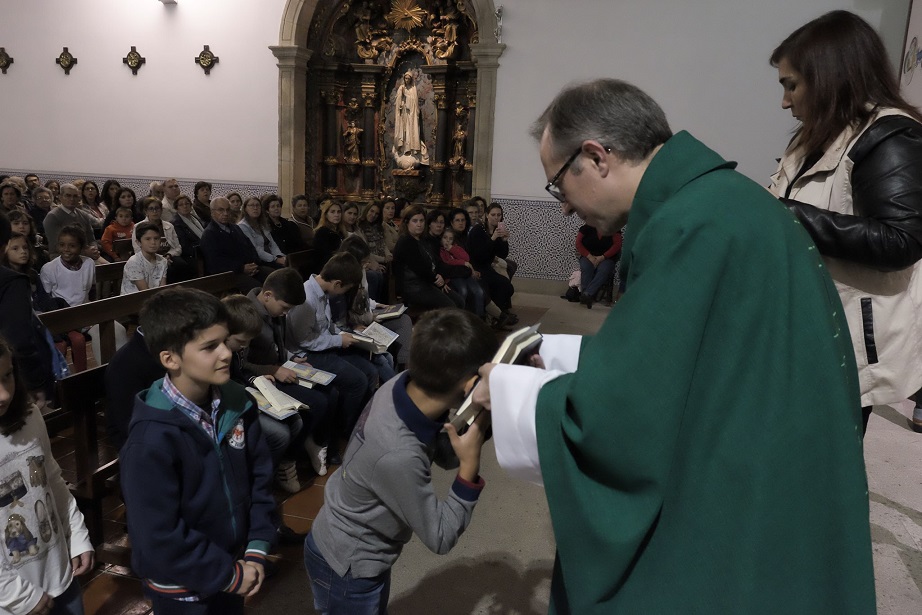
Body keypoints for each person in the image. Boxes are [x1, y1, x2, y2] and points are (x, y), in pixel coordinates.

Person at [474, 78, 876, 613]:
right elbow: (685, 355)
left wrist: (509, 394)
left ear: (595, 157)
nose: (564, 208)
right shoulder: (718, 201)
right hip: (767, 450)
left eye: (558, 185)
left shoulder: (689, 224)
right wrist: (560, 355)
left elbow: (626, 415)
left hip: (739, 484)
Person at [768, 10, 922, 434]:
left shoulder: (890, 135)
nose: (785, 102)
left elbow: (900, 241)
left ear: (828, 77)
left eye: (791, 85)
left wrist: (784, 213)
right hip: (804, 327)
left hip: (844, 340)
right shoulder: (815, 136)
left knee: (821, 460)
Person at [304, 308, 496, 615]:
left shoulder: (402, 385)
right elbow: (440, 536)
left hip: (344, 543)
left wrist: (481, 417)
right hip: (350, 566)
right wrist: (469, 470)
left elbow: (444, 453)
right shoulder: (398, 452)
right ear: (470, 383)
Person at [120, 288, 275, 613]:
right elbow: (158, 535)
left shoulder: (238, 402)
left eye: (225, 341)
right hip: (182, 588)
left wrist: (257, 546)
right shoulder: (150, 439)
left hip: (234, 563)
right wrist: (228, 575)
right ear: (170, 358)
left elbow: (260, 477)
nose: (226, 353)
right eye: (209, 347)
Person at [0, 336, 95, 615]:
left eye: (7, 376)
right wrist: (15, 595)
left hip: (59, 574)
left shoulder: (29, 415)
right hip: (12, 599)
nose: (4, 394)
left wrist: (75, 533)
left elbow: (51, 478)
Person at [285, 253, 380, 449]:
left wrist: (346, 335)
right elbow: (304, 340)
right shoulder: (307, 299)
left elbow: (326, 326)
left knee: (370, 371)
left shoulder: (323, 292)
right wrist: (338, 340)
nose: (344, 293)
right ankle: (344, 433)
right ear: (337, 284)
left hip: (325, 346)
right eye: (346, 289)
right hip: (307, 354)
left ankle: (358, 423)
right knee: (357, 381)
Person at [392, 205, 463, 311]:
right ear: (407, 222)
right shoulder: (406, 241)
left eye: (421, 220)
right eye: (415, 221)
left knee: (459, 301)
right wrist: (437, 280)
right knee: (450, 307)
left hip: (426, 283)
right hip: (412, 287)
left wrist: (440, 277)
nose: (419, 224)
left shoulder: (422, 239)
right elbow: (420, 268)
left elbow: (435, 262)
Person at [200, 197, 271, 293]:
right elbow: (215, 264)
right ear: (212, 212)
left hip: (247, 269)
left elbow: (250, 247)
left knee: (273, 277)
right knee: (256, 288)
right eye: (221, 210)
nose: (225, 213)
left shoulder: (235, 228)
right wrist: (241, 268)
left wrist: (253, 264)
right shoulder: (209, 234)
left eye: (228, 210)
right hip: (228, 275)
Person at [43, 184, 101, 262]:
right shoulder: (52, 216)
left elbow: (91, 239)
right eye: (68, 195)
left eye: (75, 196)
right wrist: (85, 252)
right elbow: (57, 245)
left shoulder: (83, 215)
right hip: (62, 257)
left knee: (112, 266)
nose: (72, 199)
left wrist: (94, 249)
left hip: (87, 255)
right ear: (60, 197)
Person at [575, 223, 622, 308]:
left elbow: (617, 245)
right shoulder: (586, 228)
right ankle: (586, 296)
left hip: (607, 257)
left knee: (604, 270)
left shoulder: (614, 228)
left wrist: (603, 257)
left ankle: (587, 294)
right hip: (588, 256)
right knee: (586, 267)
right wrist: (590, 256)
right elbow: (578, 243)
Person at [238, 196, 286, 269]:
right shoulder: (243, 226)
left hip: (271, 258)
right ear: (245, 209)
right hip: (257, 261)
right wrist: (275, 259)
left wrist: (280, 256)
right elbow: (255, 249)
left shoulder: (262, 224)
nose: (255, 208)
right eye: (252, 205)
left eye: (258, 205)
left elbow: (272, 244)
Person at [393, 71, 429, 166]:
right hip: (403, 115)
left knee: (410, 132)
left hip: (411, 116)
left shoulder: (413, 89)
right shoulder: (401, 88)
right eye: (405, 78)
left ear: (411, 79)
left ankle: (410, 150)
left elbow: (415, 104)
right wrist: (401, 100)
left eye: (408, 79)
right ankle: (403, 149)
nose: (407, 80)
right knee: (403, 132)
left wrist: (407, 96)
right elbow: (397, 103)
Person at [120, 222, 168, 295]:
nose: (153, 242)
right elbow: (145, 292)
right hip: (134, 300)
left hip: (155, 298)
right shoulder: (134, 262)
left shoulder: (162, 261)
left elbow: (162, 289)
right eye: (148, 239)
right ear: (139, 242)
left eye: (156, 238)